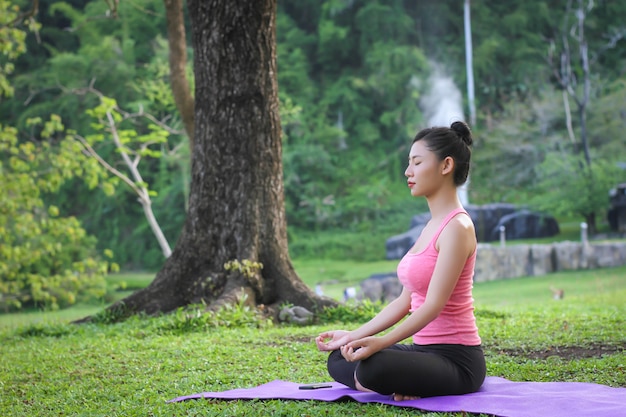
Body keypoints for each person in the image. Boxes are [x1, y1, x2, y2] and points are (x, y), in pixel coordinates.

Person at [315, 121, 485, 401]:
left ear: (446, 166)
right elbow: (405, 301)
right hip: (422, 353)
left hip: (457, 360)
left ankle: (407, 383)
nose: (408, 172)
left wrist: (382, 342)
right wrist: (354, 335)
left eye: (417, 163)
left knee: (374, 366)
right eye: (409, 163)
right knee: (341, 357)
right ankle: (408, 384)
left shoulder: (458, 227)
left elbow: (432, 306)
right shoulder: (431, 227)